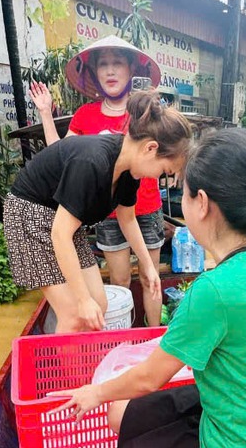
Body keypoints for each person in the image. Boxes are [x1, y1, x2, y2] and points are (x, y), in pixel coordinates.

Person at [50, 128, 246, 447]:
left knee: (117, 411)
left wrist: (94, 392)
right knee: (122, 413)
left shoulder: (214, 290)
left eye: (183, 192)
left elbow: (149, 378)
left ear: (202, 203)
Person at [3, 90, 192, 333]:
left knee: (99, 304)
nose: (159, 177)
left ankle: (77, 348)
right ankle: (64, 356)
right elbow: (60, 234)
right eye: (164, 171)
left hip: (64, 220)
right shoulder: (93, 162)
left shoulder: (129, 171)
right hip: (31, 214)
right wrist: (82, 300)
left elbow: (127, 219)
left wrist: (147, 266)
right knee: (74, 314)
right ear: (150, 148)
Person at [30, 35, 168, 326]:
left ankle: (153, 337)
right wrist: (45, 114)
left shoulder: (145, 112)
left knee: (150, 276)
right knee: (119, 279)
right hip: (107, 212)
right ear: (94, 73)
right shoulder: (86, 114)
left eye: (117, 63)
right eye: (103, 64)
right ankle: (122, 336)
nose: (110, 70)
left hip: (146, 207)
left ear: (131, 69)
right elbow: (61, 155)